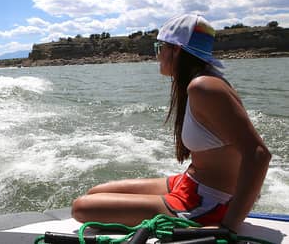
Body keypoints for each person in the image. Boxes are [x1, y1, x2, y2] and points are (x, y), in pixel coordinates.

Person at [71, 14, 271, 233]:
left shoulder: (204, 87)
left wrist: (228, 226)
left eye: (159, 47)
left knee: (82, 207)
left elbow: (259, 153)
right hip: (189, 183)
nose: (157, 56)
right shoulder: (202, 82)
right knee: (95, 193)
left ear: (176, 49)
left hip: (208, 201)